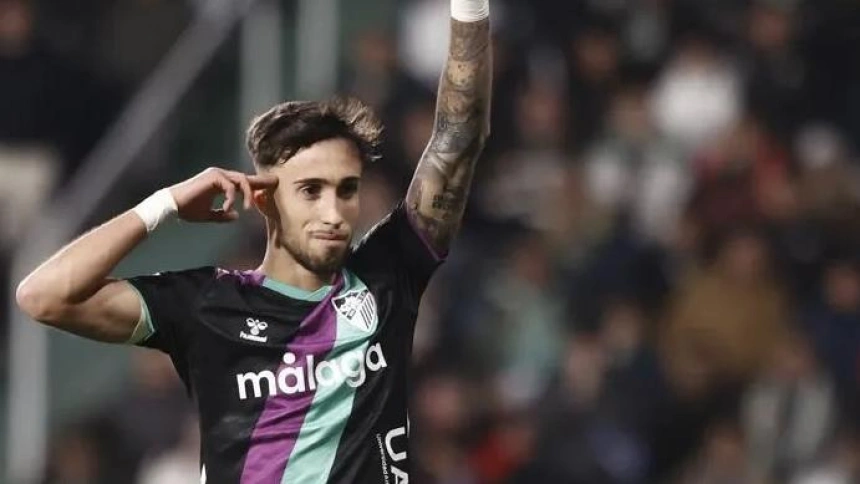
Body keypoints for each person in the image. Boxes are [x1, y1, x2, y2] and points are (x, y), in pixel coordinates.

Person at [15, 0, 492, 481]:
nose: (333, 213)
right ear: (264, 198)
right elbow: (43, 296)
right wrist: (164, 204)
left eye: (346, 190)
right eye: (310, 191)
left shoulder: (387, 276)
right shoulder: (208, 304)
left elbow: (458, 138)